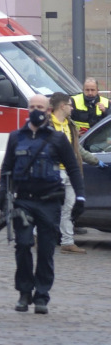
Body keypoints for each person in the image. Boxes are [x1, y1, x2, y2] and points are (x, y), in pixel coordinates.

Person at [0, 93, 85, 314]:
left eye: (40, 107)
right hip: (23, 201)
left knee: (45, 251)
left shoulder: (57, 139)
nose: (36, 110)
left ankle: (42, 295)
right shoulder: (16, 137)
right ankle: (24, 292)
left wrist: (80, 196)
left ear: (48, 110)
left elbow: (72, 167)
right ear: (27, 109)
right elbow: (6, 168)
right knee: (23, 244)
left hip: (49, 202)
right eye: (32, 106)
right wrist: (3, 194)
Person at [50, 92, 105, 254]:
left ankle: (67, 242)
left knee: (70, 207)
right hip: (52, 174)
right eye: (69, 105)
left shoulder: (70, 125)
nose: (72, 108)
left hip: (70, 173)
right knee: (49, 208)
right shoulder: (47, 125)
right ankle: (38, 234)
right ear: (62, 106)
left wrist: (94, 161)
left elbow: (77, 149)